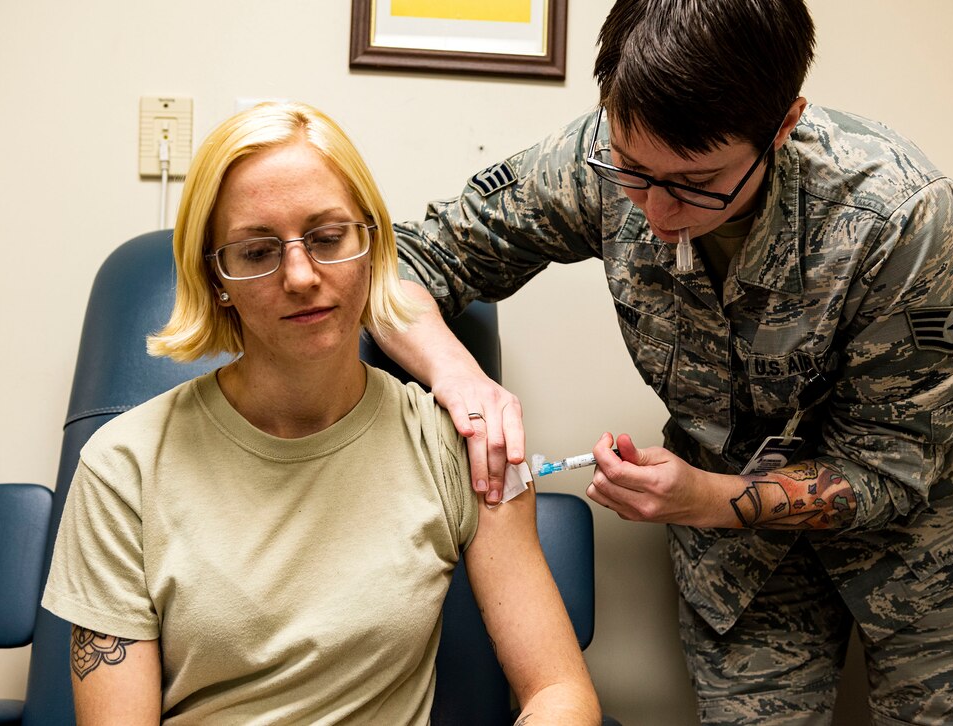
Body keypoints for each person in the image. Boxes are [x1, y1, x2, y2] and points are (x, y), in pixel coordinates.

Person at [374, 0, 953, 722]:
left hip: (941, 543)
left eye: (695, 183)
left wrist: (703, 498)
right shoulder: (594, 158)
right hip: (745, 559)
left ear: (781, 127)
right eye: (632, 169)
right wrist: (462, 379)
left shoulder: (902, 217)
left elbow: (891, 470)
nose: (655, 214)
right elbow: (405, 260)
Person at [40, 101, 601, 726]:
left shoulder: (456, 446)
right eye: (257, 252)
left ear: (372, 243)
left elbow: (559, 693)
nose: (302, 276)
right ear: (217, 275)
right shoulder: (124, 468)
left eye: (329, 238)